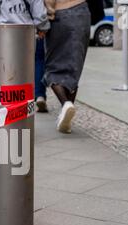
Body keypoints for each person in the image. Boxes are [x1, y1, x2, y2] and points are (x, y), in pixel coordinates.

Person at [0, 0, 50, 112]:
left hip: (4, 32)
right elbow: (39, 11)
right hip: (26, 31)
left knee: (5, 68)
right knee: (33, 64)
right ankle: (37, 96)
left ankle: (6, 102)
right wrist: (43, 27)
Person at [42, 0, 91, 133]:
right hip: (83, 12)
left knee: (52, 68)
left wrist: (48, 13)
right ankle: (66, 119)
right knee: (74, 66)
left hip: (61, 15)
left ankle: (66, 104)